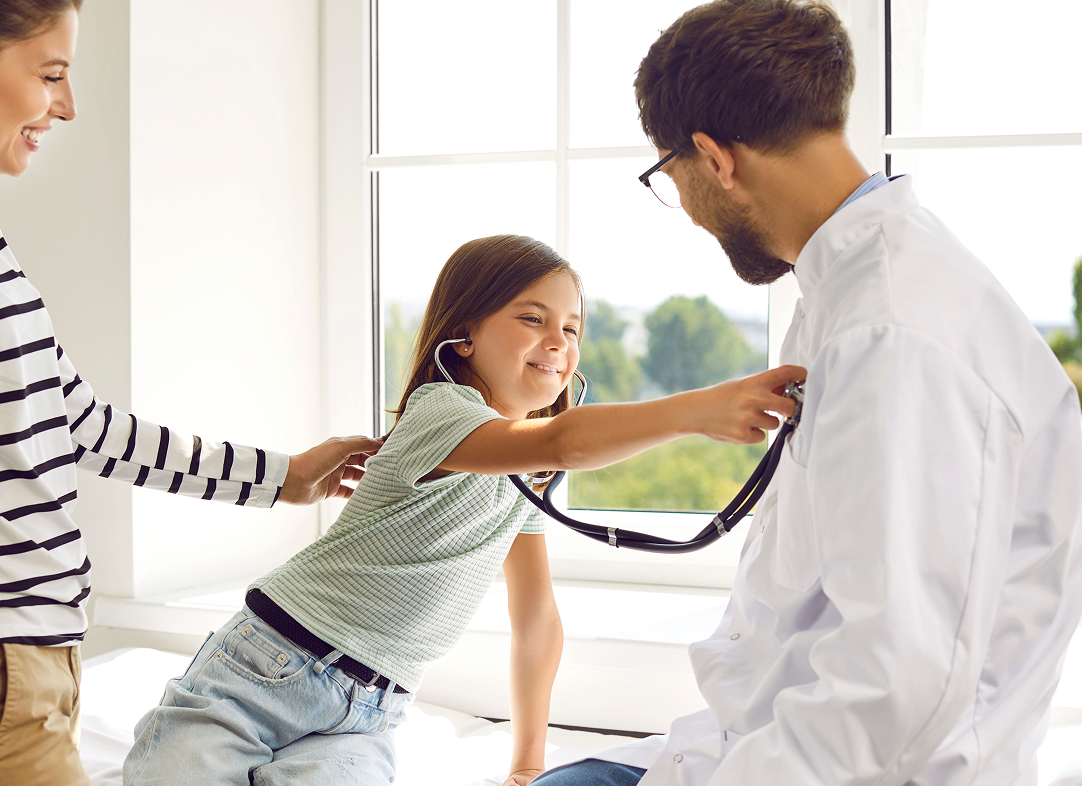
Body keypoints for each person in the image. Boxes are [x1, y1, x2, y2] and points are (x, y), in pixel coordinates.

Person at [0, 2, 379, 785]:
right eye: (50, 74)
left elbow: (75, 421)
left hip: (27, 667)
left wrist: (284, 475)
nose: (67, 103)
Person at [533, 1, 1082, 785]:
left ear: (715, 157)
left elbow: (892, 693)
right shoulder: (853, 294)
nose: (686, 207)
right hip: (754, 743)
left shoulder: (894, 331)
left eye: (672, 176)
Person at [122, 234, 805, 786]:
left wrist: (527, 763)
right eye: (532, 318)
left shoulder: (524, 472)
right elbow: (566, 439)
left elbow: (536, 619)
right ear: (464, 337)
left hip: (368, 715)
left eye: (572, 328)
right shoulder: (442, 412)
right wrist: (696, 410)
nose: (558, 341)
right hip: (264, 669)